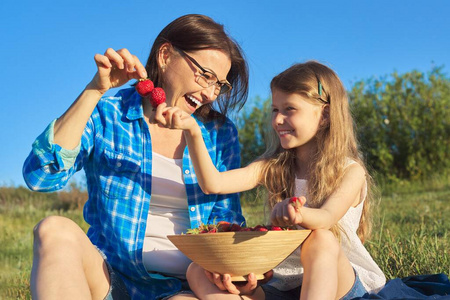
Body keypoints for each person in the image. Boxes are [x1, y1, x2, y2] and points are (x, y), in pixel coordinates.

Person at [22, 14, 252, 300]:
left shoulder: (220, 133)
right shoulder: (109, 113)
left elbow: (225, 218)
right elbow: (41, 176)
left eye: (220, 84)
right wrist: (96, 89)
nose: (210, 93)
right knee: (53, 229)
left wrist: (238, 270)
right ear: (166, 55)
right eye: (205, 75)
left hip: (184, 288)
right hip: (111, 280)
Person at [155, 61, 386, 299]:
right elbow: (213, 184)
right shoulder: (274, 166)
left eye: (289, 109)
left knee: (321, 238)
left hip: (340, 286)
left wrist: (298, 213)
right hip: (284, 284)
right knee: (198, 270)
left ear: (325, 115)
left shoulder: (349, 171)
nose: (277, 120)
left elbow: (326, 218)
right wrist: (192, 131)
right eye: (275, 110)